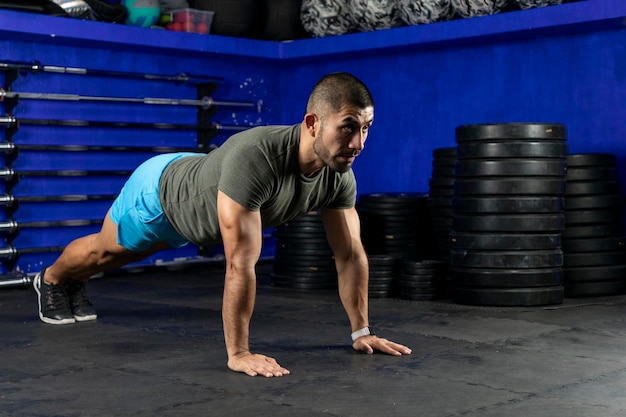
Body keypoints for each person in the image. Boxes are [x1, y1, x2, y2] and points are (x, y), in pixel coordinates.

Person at [32, 72, 412, 377]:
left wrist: (362, 331)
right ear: (313, 123)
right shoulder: (257, 160)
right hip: (161, 197)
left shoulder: (338, 177)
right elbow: (239, 265)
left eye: (366, 128)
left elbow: (349, 256)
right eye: (348, 127)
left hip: (196, 201)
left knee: (121, 259)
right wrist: (239, 353)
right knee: (104, 252)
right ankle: (50, 279)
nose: (359, 142)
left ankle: (73, 279)